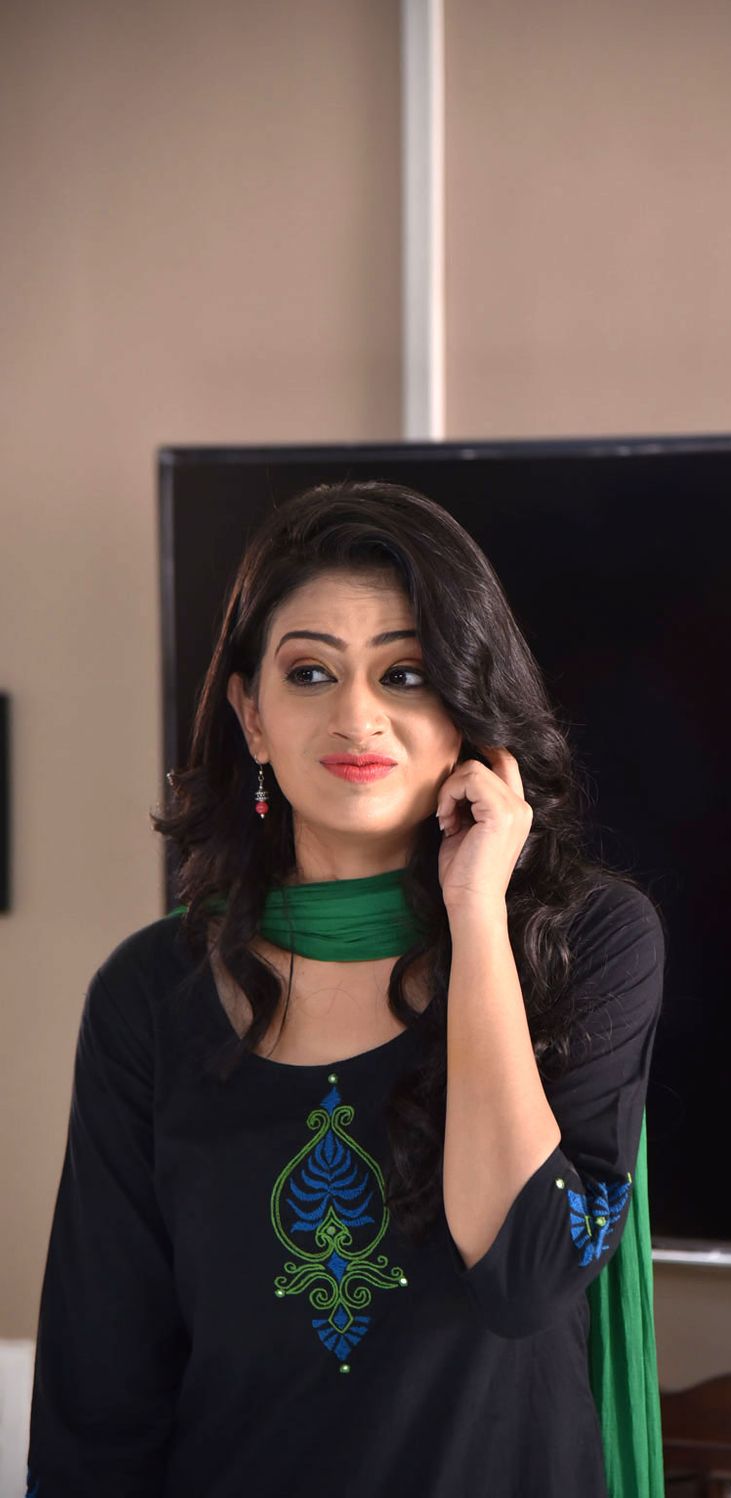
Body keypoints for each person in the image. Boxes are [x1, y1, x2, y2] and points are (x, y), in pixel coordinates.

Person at [26, 479, 667, 1497]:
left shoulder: (582, 943)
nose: (357, 713)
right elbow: (99, 1393)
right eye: (311, 672)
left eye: (406, 673)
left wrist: (476, 914)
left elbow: (524, 1276)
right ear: (252, 716)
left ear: (469, 708)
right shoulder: (151, 994)